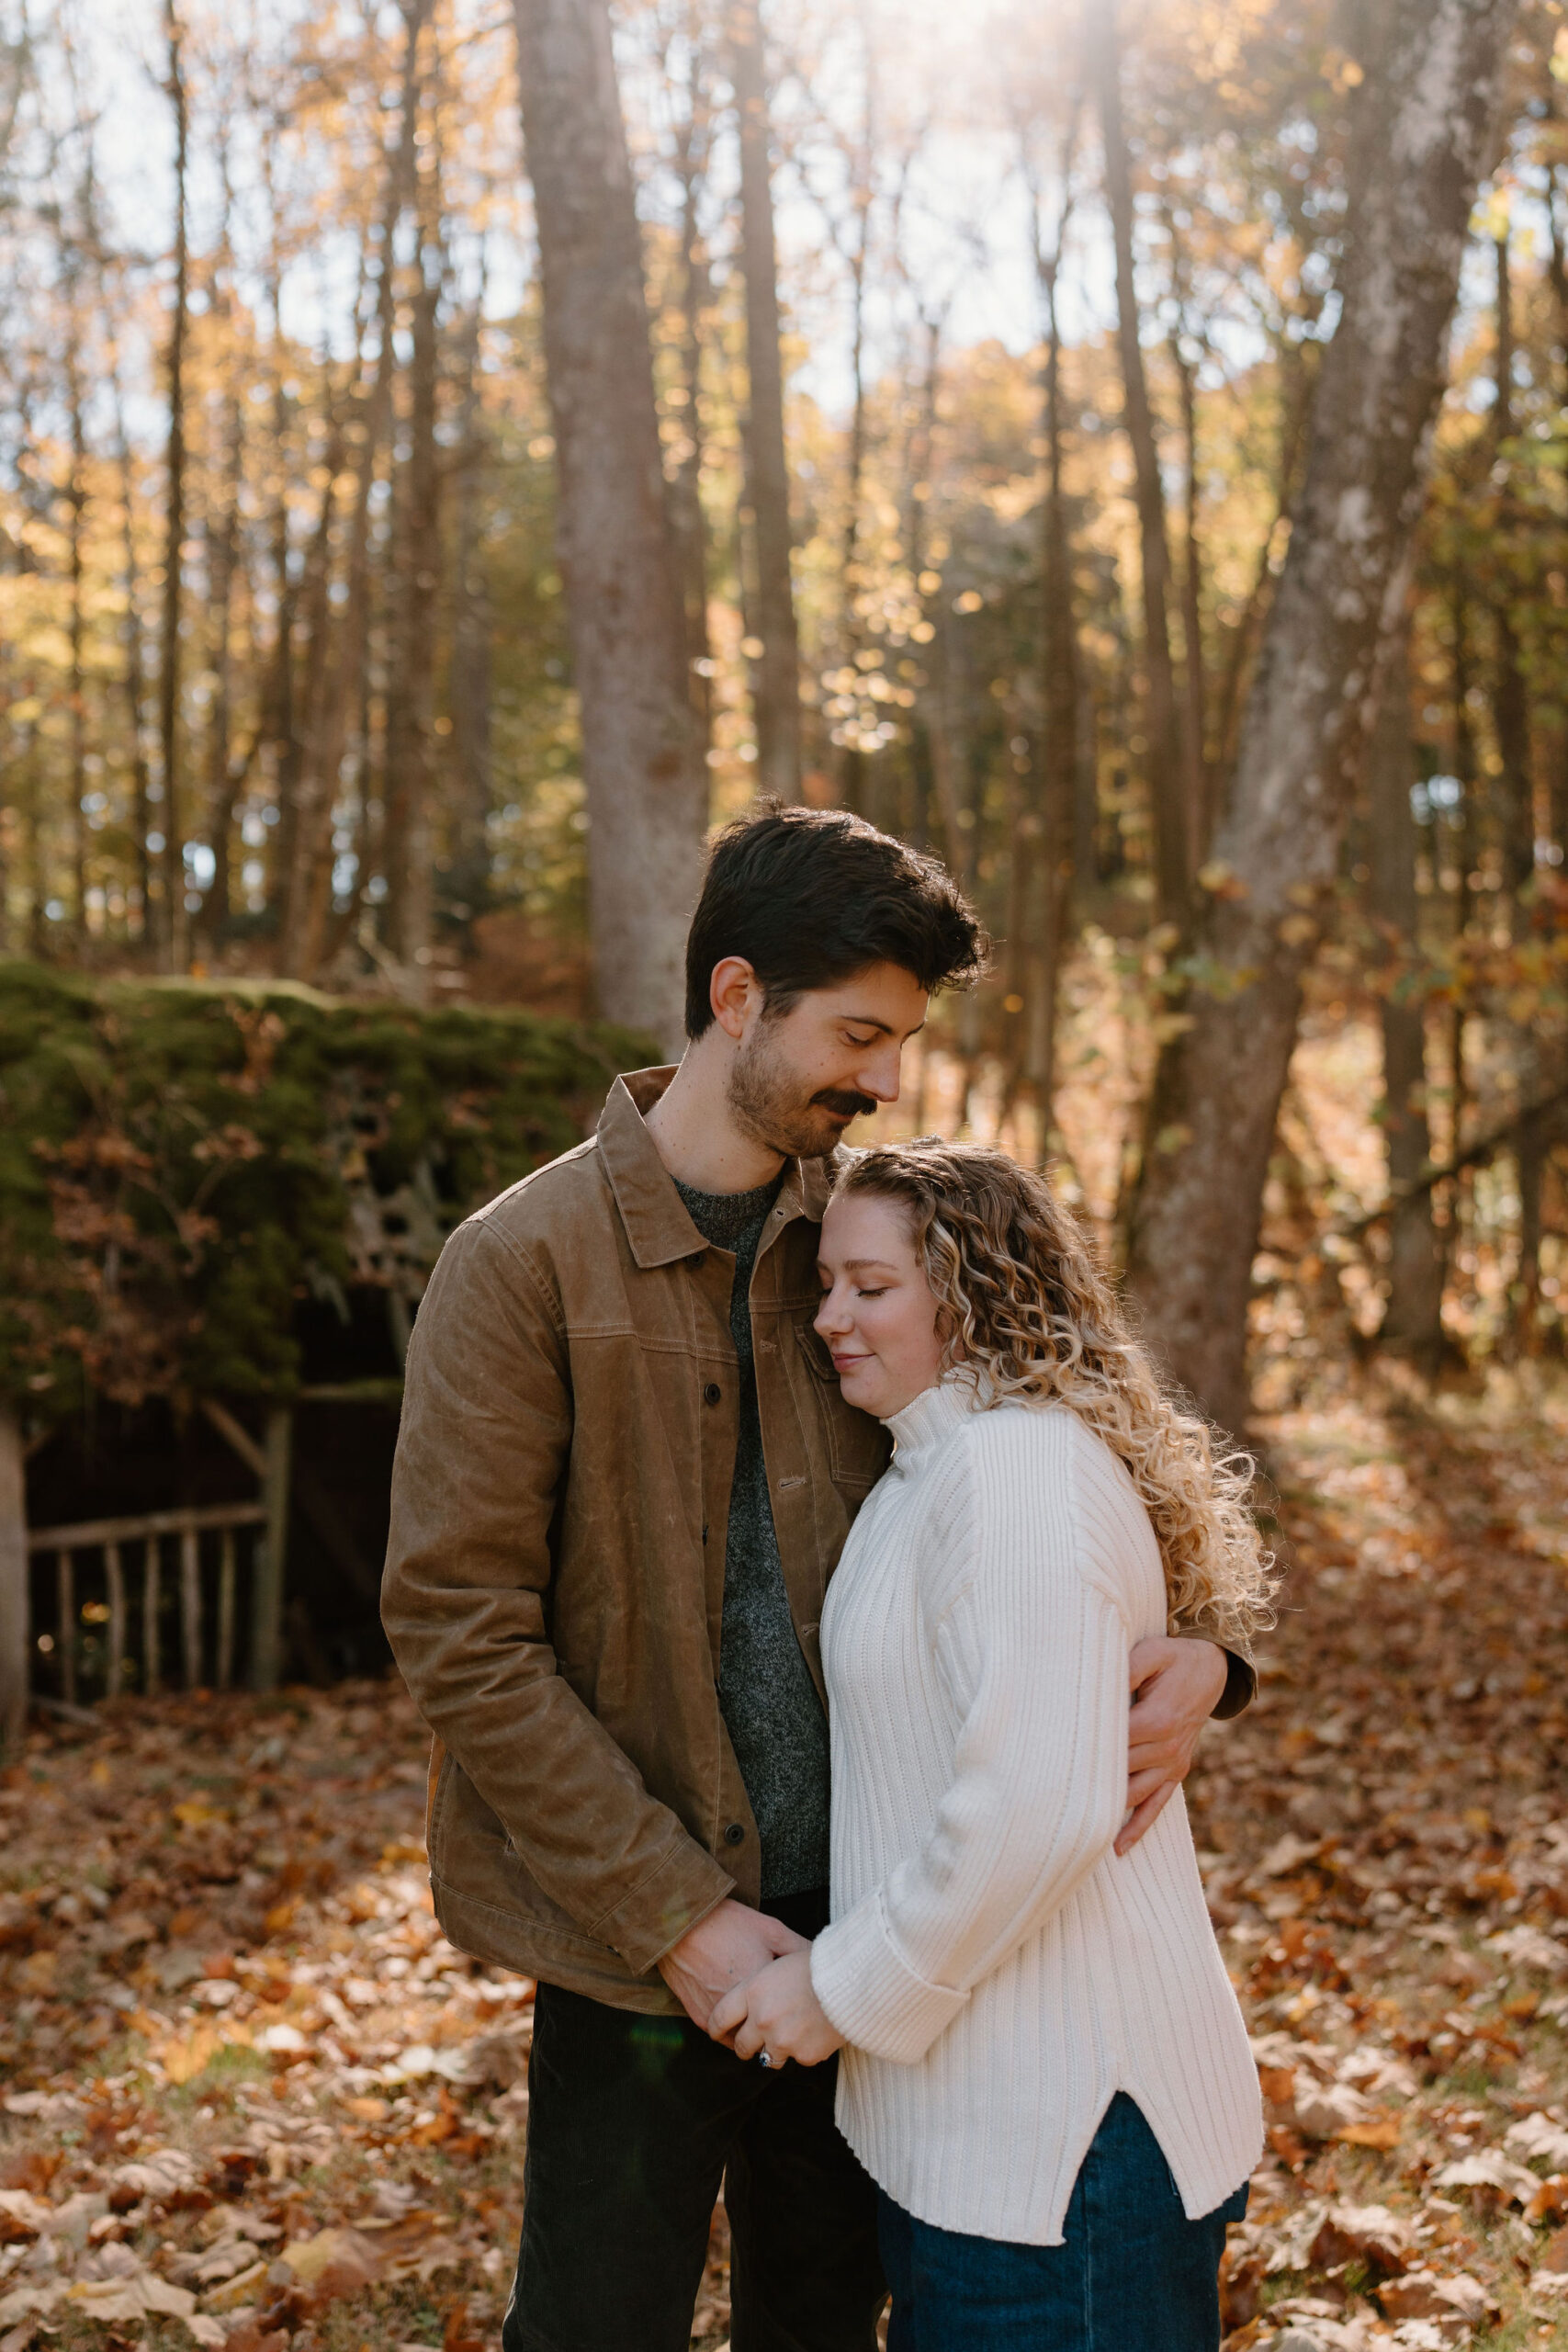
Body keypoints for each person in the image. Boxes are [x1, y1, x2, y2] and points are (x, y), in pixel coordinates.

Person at [380, 805, 1256, 2352]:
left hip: (873, 1935)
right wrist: (678, 1914)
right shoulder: (519, 1263)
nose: (885, 1079)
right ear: (736, 1000)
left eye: (899, 1041)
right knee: (593, 2328)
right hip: (632, 1946)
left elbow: (1077, 1448)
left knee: (825, 2324)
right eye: (859, 1033)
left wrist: (1204, 1649)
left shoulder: (873, 1238)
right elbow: (460, 1630)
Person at [711, 1139, 1273, 2350]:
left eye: (872, 1287)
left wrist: (834, 1988)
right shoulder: (935, 1468)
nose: (830, 1321)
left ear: (975, 1291)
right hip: (980, 2131)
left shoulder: (1013, 1474)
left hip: (1070, 2142)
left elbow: (1035, 1805)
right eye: (826, 1287)